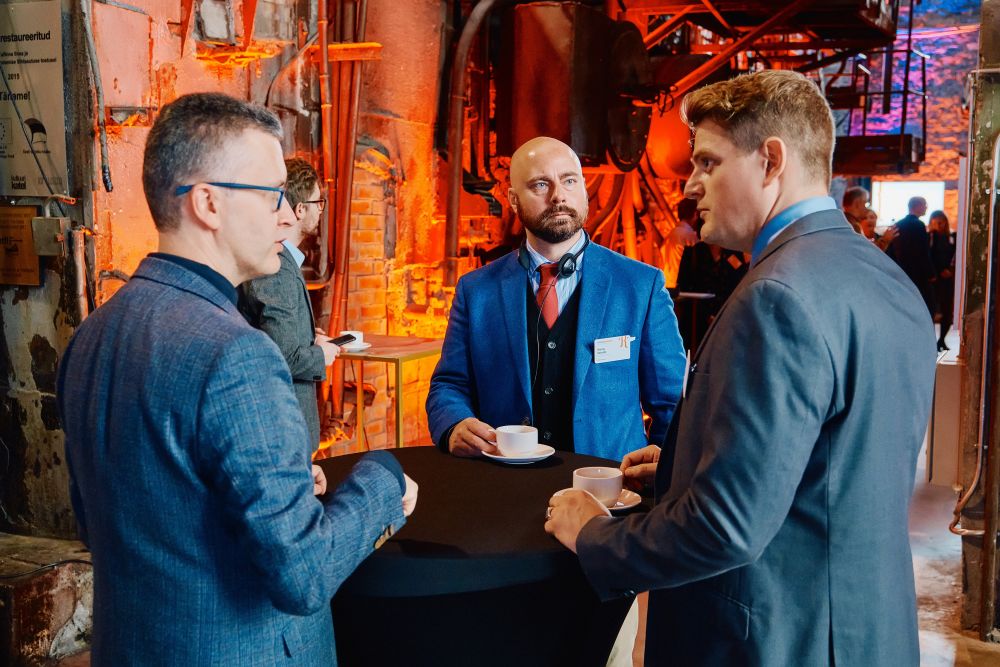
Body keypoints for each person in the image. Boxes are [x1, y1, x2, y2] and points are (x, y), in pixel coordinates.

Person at [545, 70, 935, 666]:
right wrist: (685, 467)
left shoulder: (775, 296)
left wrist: (592, 535)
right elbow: (833, 466)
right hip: (865, 634)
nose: (692, 183)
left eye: (708, 162)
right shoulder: (887, 279)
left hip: (774, 641)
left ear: (770, 159)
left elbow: (725, 528)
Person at [56, 93, 417, 666]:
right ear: (208, 203)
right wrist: (382, 485)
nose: (286, 214)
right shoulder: (238, 354)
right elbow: (303, 575)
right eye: (273, 193)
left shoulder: (95, 331)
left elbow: (113, 515)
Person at [426, 136, 685, 461]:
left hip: (609, 494)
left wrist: (660, 478)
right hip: (504, 487)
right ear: (513, 199)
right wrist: (454, 424)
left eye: (569, 181)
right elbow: (448, 385)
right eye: (540, 185)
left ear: (584, 189)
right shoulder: (476, 291)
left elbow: (673, 403)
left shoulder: (640, 285)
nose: (559, 196)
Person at [239, 157, 337, 449]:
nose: (321, 210)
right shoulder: (277, 268)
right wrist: (323, 355)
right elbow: (281, 358)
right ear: (299, 209)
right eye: (318, 202)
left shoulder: (283, 264)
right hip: (284, 429)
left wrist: (308, 337)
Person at [674, 197, 748, 351]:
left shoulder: (734, 253)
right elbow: (683, 284)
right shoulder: (694, 252)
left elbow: (741, 283)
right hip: (697, 325)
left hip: (727, 323)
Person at [888, 195, 936, 314]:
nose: (926, 208)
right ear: (918, 206)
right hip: (918, 273)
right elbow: (923, 252)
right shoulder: (918, 225)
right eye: (924, 205)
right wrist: (930, 273)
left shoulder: (898, 224)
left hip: (901, 271)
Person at [928, 210, 955, 351]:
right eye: (936, 221)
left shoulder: (952, 236)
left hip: (947, 279)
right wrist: (938, 271)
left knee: (947, 310)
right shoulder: (929, 237)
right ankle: (930, 341)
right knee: (931, 310)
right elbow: (929, 257)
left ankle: (942, 340)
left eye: (941, 221)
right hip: (934, 279)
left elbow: (955, 255)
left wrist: (949, 270)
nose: (939, 224)